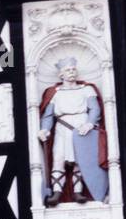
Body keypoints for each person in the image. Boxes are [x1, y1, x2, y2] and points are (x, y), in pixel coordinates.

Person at [37, 58, 109, 205]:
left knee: (81, 160)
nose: (72, 72)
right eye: (68, 70)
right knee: (58, 159)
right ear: (61, 75)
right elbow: (48, 116)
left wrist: (89, 123)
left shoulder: (86, 89)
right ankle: (57, 192)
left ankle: (78, 192)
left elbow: (95, 109)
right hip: (62, 128)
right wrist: (45, 129)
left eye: (73, 69)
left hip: (82, 128)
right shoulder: (55, 93)